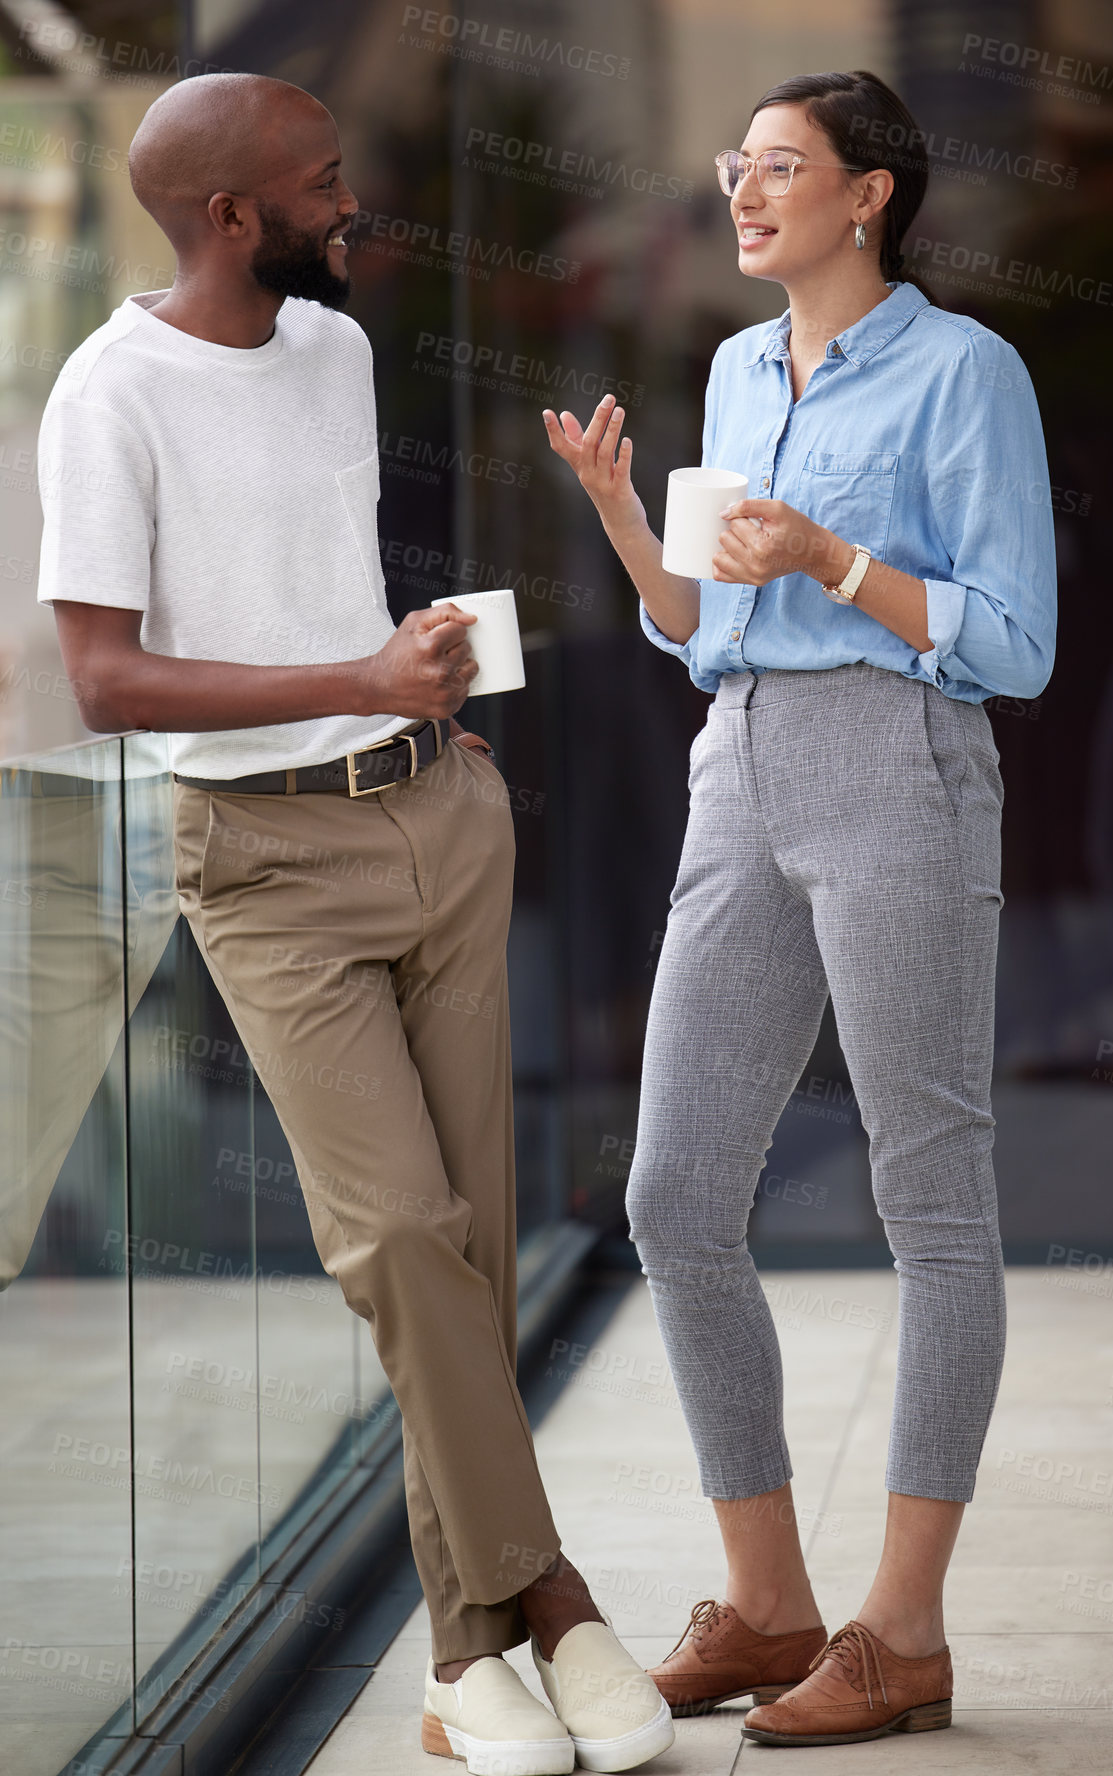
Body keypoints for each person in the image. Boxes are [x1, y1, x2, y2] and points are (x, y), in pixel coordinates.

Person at [36, 71, 674, 1776]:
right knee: (397, 1242)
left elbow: (310, 581)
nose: (352, 203)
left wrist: (406, 687)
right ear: (229, 215)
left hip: (438, 813)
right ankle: (549, 1608)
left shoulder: (333, 350)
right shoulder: (106, 397)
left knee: (457, 1247)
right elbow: (102, 680)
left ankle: (463, 1670)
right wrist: (348, 677)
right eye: (322, 184)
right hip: (263, 870)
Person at [544, 67, 1055, 1752]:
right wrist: (629, 520)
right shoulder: (733, 368)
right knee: (675, 1193)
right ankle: (766, 1606)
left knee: (932, 1195)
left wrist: (833, 559)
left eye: (780, 169)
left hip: (897, 763)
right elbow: (705, 633)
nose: (744, 194)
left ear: (867, 196)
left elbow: (1011, 641)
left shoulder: (965, 371)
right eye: (734, 166)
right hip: (740, 763)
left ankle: (897, 1636)